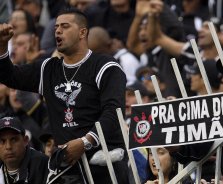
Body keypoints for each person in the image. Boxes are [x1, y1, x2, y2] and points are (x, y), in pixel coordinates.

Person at [0, 8, 128, 183]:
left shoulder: (105, 66)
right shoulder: (48, 69)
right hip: (68, 168)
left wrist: (84, 142)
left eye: (65, 26)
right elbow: (9, 76)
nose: (58, 30)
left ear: (83, 32)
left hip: (105, 165)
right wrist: (1, 47)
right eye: (56, 27)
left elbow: (114, 112)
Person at [0, 116, 49, 183]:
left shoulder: (42, 164)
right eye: (2, 141)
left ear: (25, 140)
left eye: (14, 140)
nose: (8, 147)